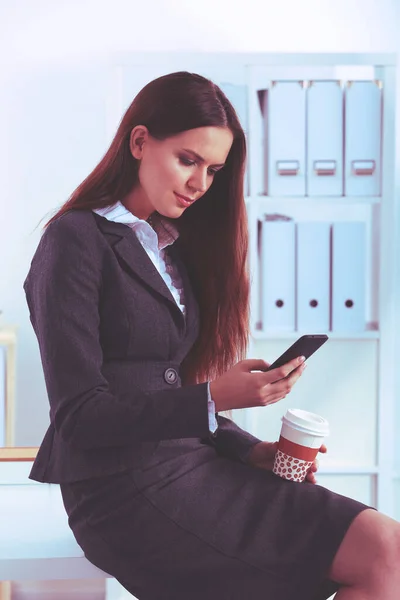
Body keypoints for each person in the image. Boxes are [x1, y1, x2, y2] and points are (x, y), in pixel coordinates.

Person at [23, 71, 400, 600]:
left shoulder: (170, 248)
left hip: (198, 467)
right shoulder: (75, 240)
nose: (201, 183)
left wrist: (252, 452)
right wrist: (215, 394)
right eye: (188, 160)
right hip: (123, 490)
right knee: (383, 552)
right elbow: (80, 416)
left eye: (214, 169)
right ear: (139, 142)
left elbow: (163, 392)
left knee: (388, 549)